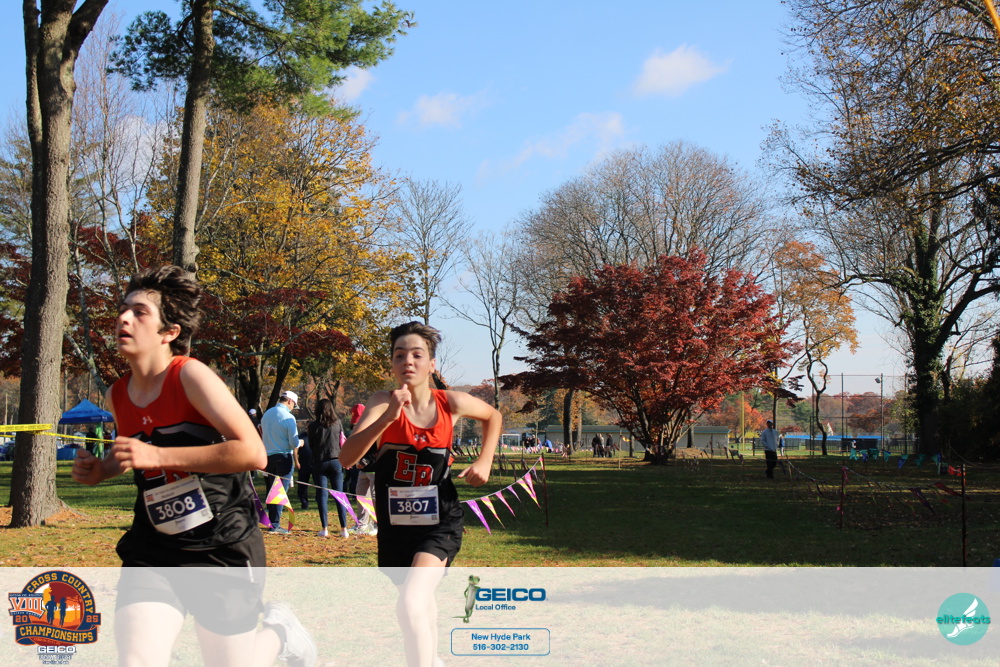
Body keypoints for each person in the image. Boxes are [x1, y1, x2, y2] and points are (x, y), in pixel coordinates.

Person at [70, 265, 315, 667]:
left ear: (169, 332)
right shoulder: (118, 394)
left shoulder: (190, 376)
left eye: (139, 312)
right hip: (154, 545)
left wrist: (160, 456)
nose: (124, 318)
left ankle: (279, 635)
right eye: (123, 309)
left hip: (221, 542)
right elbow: (134, 451)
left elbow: (252, 453)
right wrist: (101, 470)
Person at [339, 321, 502, 667]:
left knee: (411, 603)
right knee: (419, 604)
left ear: (431, 364)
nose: (407, 362)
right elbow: (347, 457)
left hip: (440, 522)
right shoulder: (381, 402)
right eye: (399, 355)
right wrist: (387, 419)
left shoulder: (450, 403)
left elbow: (493, 416)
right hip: (395, 526)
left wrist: (485, 460)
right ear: (392, 363)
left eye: (416, 354)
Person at [261, 390, 302, 534]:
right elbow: (293, 442)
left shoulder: (267, 414)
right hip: (283, 457)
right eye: (294, 405)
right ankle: (275, 524)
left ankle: (272, 522)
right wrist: (300, 443)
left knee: (271, 490)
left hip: (268, 457)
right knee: (279, 492)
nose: (293, 408)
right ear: (290, 401)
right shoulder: (288, 417)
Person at [308, 398, 348, 538]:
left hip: (319, 462)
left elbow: (311, 445)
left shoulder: (313, 426)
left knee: (322, 495)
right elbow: (342, 440)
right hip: (336, 460)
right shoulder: (338, 424)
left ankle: (324, 528)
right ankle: (344, 528)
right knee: (340, 495)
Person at [350, 403, 378, 536]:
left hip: (375, 469)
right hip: (362, 470)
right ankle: (362, 524)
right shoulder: (356, 431)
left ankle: (377, 524)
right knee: (361, 496)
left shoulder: (374, 429)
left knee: (375, 498)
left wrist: (365, 461)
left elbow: (377, 451)